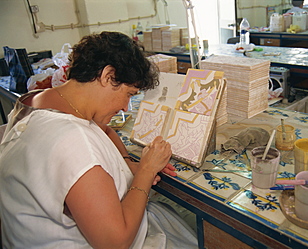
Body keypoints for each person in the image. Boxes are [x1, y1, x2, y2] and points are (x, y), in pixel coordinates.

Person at [0, 31, 197, 248]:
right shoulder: (71, 141)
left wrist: (126, 161)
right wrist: (145, 170)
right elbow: (116, 242)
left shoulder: (38, 101)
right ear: (107, 75)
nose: (125, 107)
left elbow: (103, 129)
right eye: (129, 94)